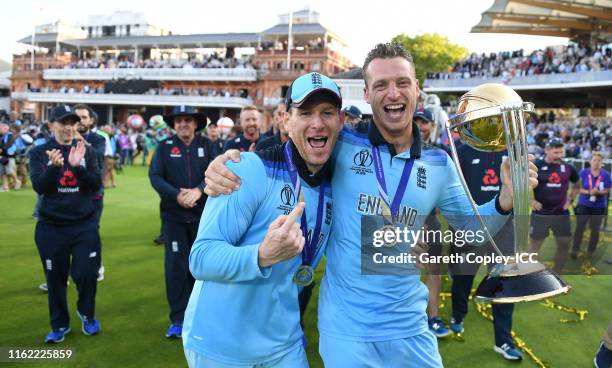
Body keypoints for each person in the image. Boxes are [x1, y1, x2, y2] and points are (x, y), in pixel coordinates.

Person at [203, 43, 539, 367]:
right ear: (366, 94)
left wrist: (506, 198)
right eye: (381, 85)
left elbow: (473, 231)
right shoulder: (341, 143)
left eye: (402, 83)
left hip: (410, 325)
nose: (393, 93)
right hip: (347, 330)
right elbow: (290, 149)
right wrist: (227, 163)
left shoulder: (440, 164)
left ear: (417, 89)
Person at [183, 72, 340, 368]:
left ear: (340, 121)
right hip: (221, 346)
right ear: (286, 120)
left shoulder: (337, 181)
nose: (318, 123)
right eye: (305, 112)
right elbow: (200, 258)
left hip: (284, 343)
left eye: (327, 113)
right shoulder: (250, 169)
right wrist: (261, 255)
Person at [29, 105, 103, 343]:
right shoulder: (39, 152)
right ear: (52, 125)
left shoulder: (86, 151)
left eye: (73, 123)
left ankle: (87, 313)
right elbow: (40, 187)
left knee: (87, 273)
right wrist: (54, 168)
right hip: (51, 226)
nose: (70, 127)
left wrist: (79, 166)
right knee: (55, 278)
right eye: (64, 123)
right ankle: (59, 324)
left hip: (84, 225)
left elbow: (94, 185)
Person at [448, 144, 523, 361]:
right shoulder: (462, 150)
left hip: (505, 226)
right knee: (463, 277)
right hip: (472, 224)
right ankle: (457, 315)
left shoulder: (513, 150)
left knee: (504, 283)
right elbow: (452, 188)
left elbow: (520, 188)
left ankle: (503, 341)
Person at [149, 105, 215, 338]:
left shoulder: (207, 145)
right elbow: (155, 176)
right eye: (179, 121)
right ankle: (178, 319)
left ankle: (202, 317)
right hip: (173, 218)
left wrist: (198, 191)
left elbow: (216, 172)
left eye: (188, 120)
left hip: (203, 218)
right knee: (176, 269)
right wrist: (176, 195)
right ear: (173, 125)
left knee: (201, 269)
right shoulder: (164, 147)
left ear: (196, 124)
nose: (183, 124)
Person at [415, 109, 451, 338]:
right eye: (415, 122)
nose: (419, 126)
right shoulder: (395, 150)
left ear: (431, 126)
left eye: (424, 122)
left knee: (434, 270)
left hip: (430, 221)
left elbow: (450, 186)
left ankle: (433, 316)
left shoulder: (441, 153)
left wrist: (440, 202)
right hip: (401, 223)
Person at [528, 137, 580, 273]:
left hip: (561, 214)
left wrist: (570, 200)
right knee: (535, 246)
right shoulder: (536, 166)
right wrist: (530, 200)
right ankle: (532, 274)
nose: (559, 156)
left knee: (564, 244)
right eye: (556, 153)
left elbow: (577, 184)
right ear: (546, 150)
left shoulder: (568, 167)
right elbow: (523, 185)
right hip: (541, 214)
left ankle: (557, 274)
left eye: (561, 152)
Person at [571, 151, 610, 258]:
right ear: (590, 161)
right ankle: (575, 249)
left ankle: (590, 251)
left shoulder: (606, 175)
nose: (596, 162)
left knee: (595, 229)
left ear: (602, 162)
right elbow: (578, 188)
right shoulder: (583, 173)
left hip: (599, 206)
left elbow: (607, 190)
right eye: (594, 160)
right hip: (584, 204)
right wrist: (589, 192)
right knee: (580, 227)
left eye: (599, 160)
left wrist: (598, 192)